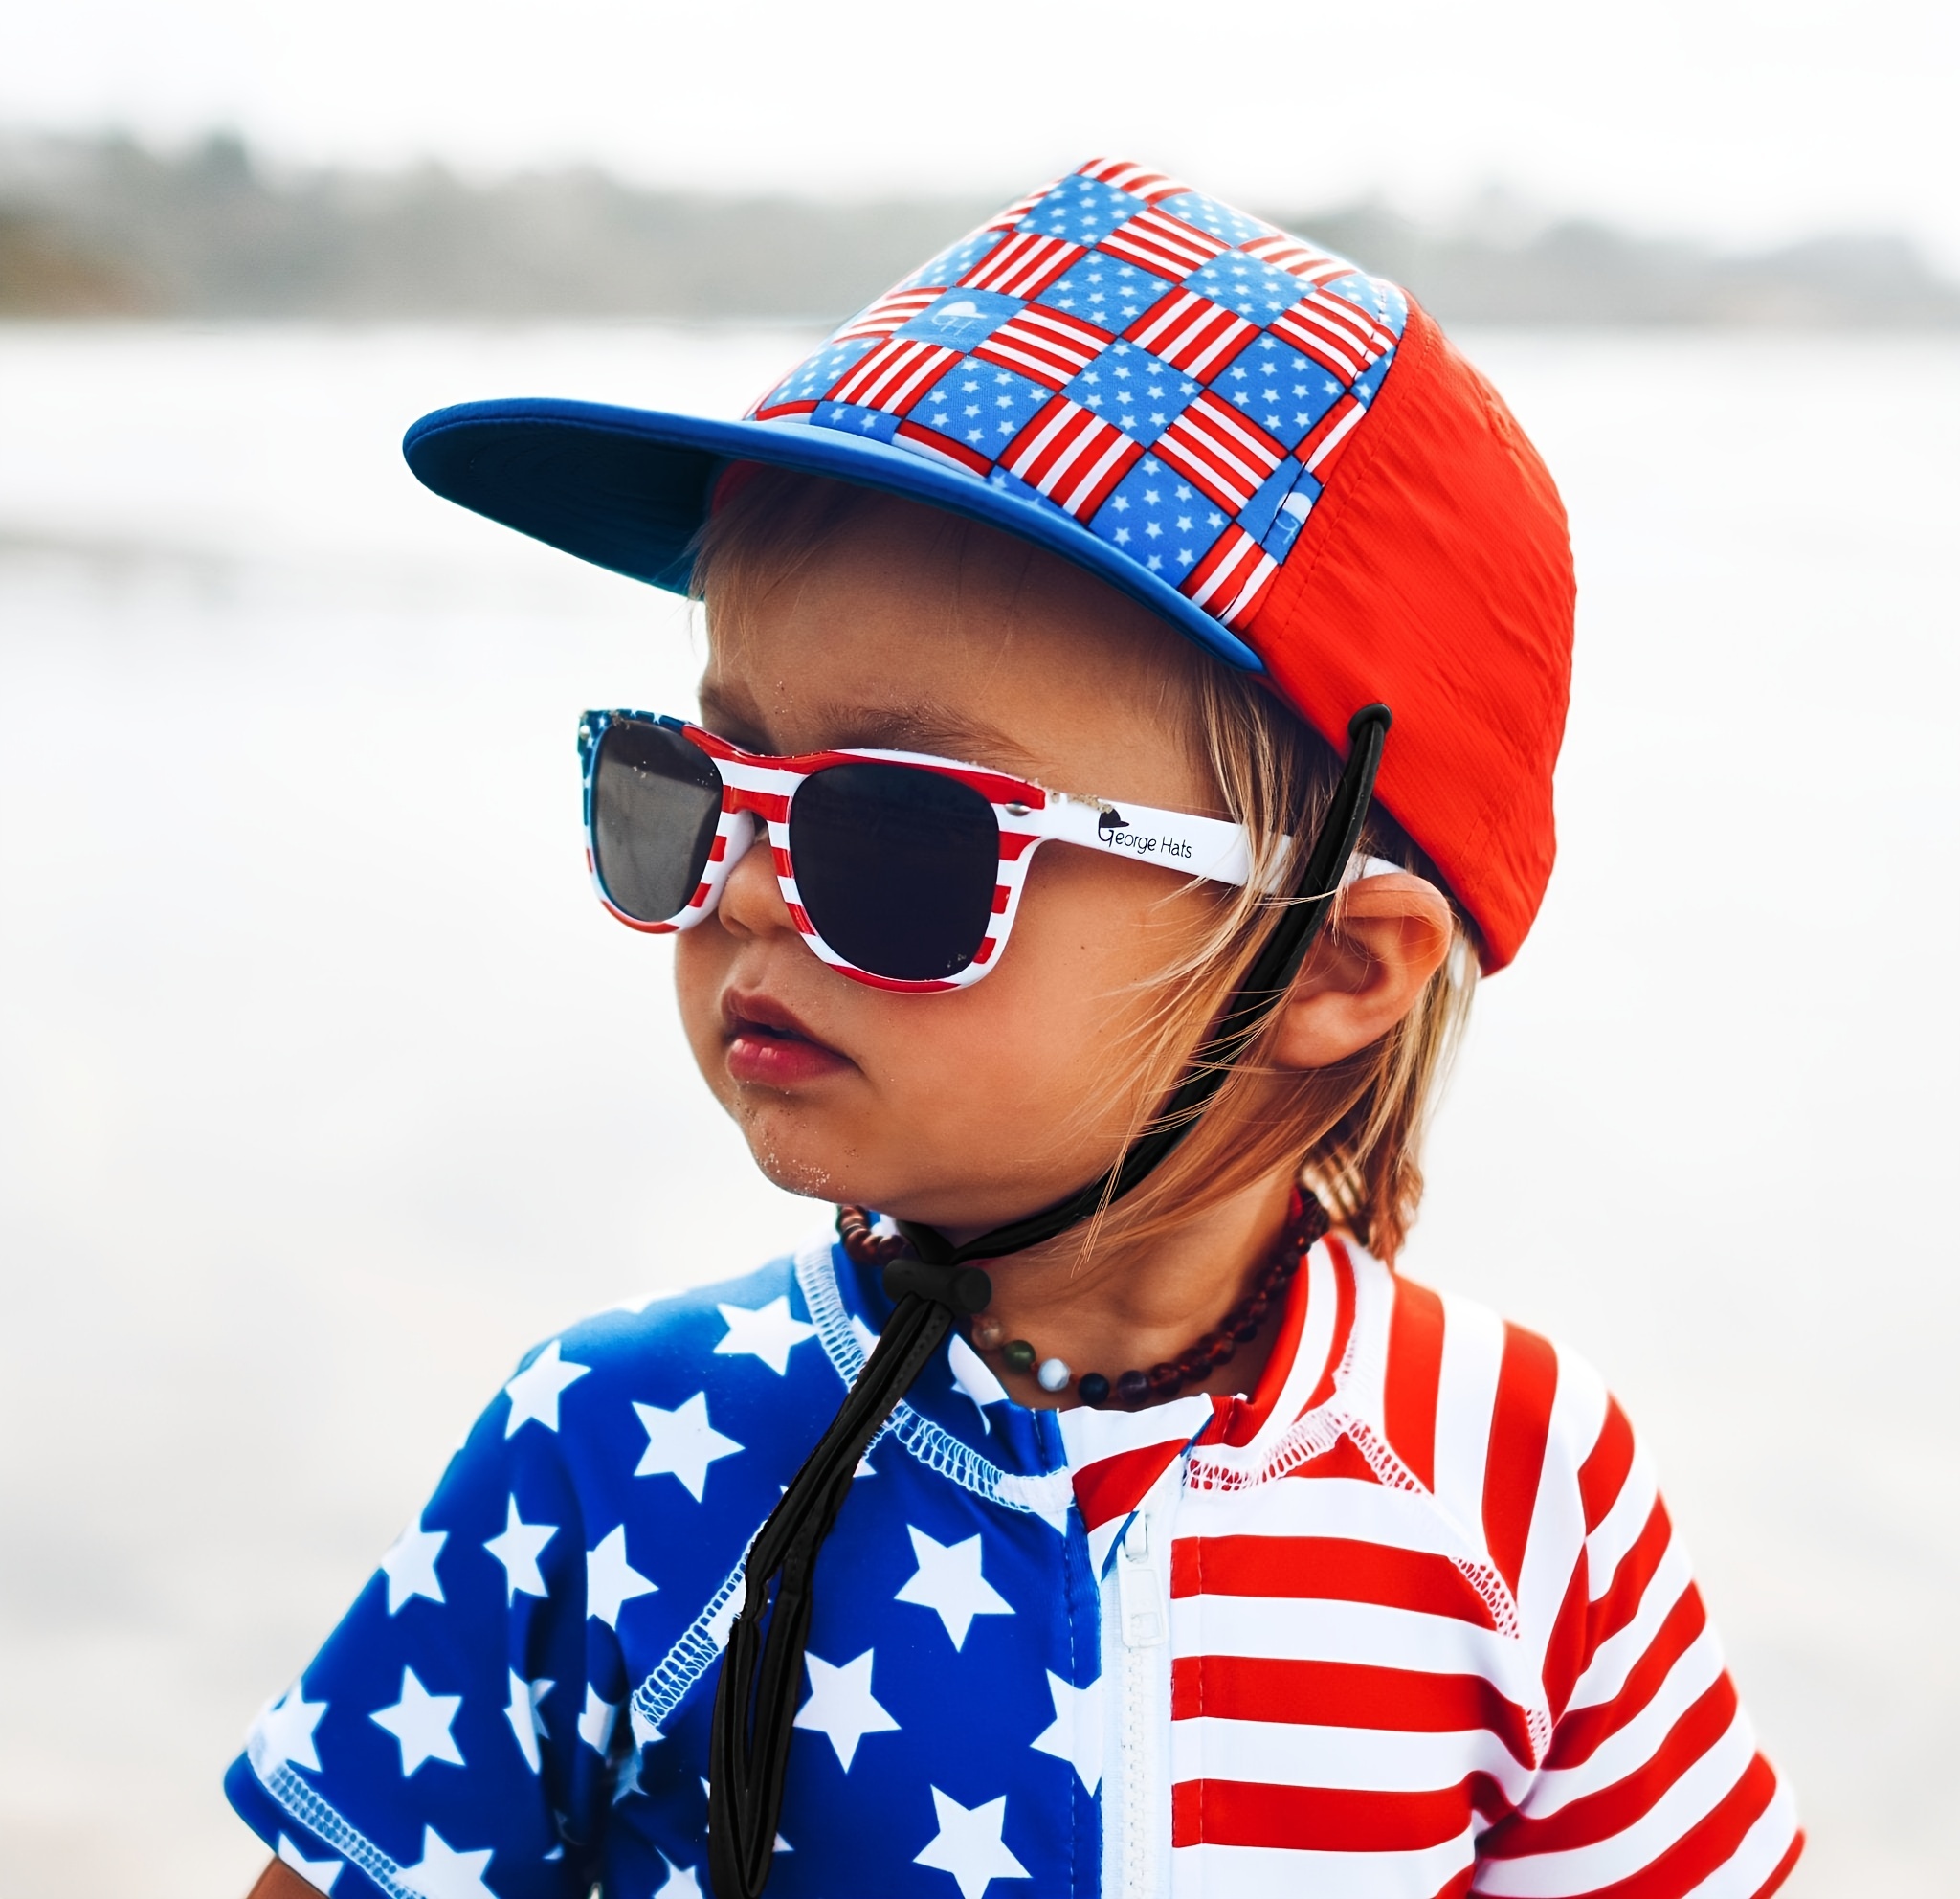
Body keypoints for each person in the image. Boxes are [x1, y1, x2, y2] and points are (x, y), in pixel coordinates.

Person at [226, 159, 1800, 1899]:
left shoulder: (1515, 1495)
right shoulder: (612, 1455)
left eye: (897, 833)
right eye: (695, 784)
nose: (742, 893)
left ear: (1338, 966)